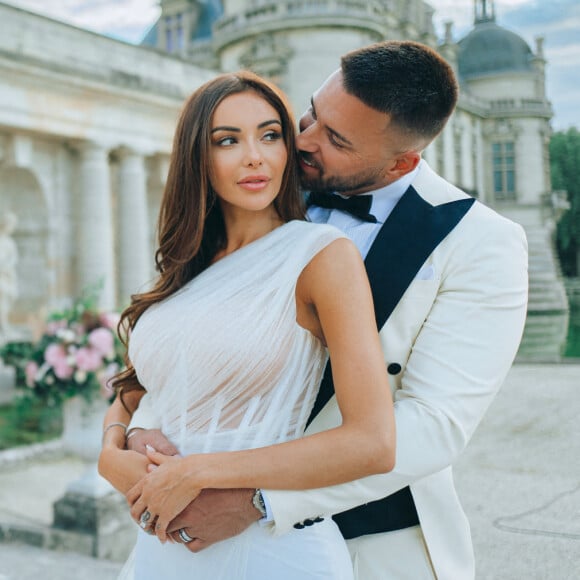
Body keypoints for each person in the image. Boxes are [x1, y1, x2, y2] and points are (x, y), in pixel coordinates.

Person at [115, 40, 529, 579]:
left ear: (402, 160)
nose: (303, 140)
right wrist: (138, 427)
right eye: (311, 111)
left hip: (374, 540)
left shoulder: (483, 243)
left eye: (335, 139)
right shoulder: (256, 193)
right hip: (198, 523)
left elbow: (434, 423)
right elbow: (178, 333)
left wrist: (259, 499)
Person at [98, 70, 397, 579]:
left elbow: (373, 442)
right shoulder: (185, 266)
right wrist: (111, 452)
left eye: (270, 135)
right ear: (199, 156)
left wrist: (197, 472)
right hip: (161, 552)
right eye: (227, 141)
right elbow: (135, 391)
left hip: (269, 552)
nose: (255, 156)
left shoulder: (321, 257)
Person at [0, 211, 19, 338]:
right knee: (2, 303)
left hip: (8, 276)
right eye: (11, 224)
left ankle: (5, 326)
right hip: (2, 275)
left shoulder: (9, 241)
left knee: (6, 303)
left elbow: (13, 259)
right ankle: (4, 327)